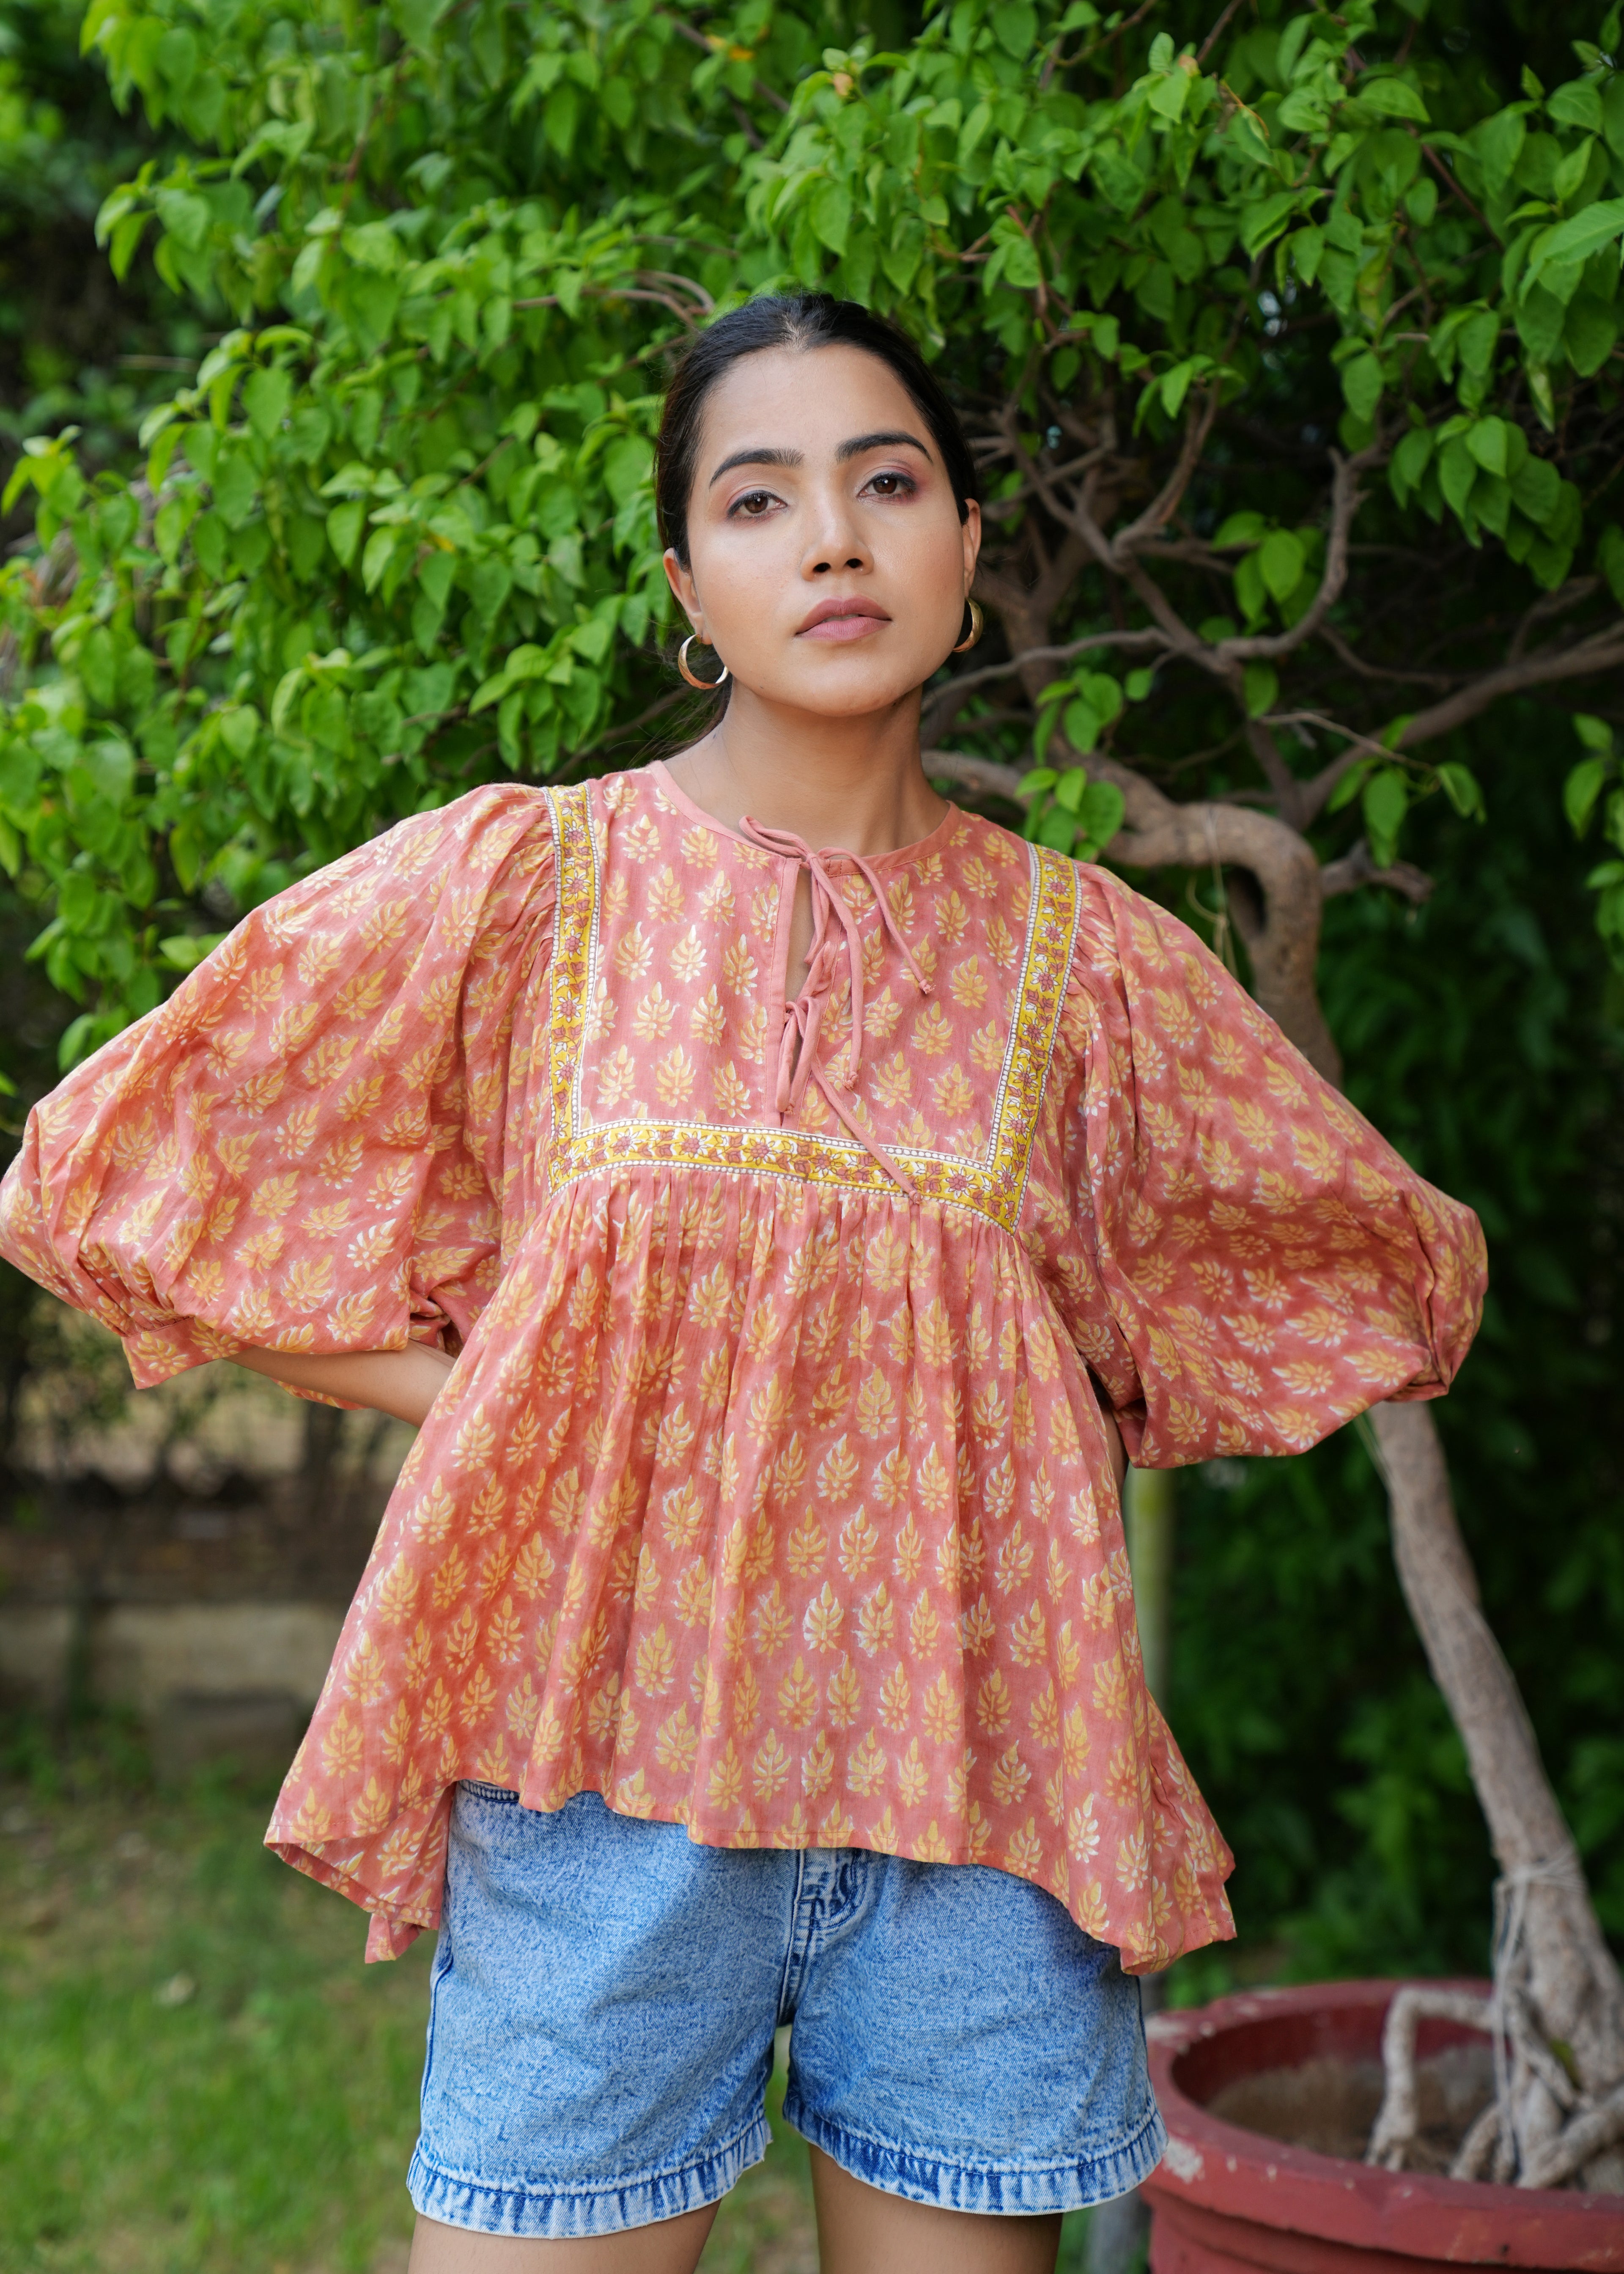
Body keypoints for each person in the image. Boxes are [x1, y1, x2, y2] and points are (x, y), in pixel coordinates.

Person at [0, 294, 1486, 2274]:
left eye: (889, 485)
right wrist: (494, 1394)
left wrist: (1035, 1407)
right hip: (603, 1782)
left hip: (978, 1809)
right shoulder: (533, 887)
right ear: (690, 583)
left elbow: (1365, 1268)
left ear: (966, 549)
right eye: (761, 497)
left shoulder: (1098, 972)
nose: (837, 539)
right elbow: (113, 1168)